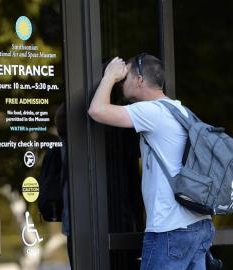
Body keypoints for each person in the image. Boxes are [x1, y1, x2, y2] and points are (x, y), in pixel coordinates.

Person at [88, 54, 215, 269]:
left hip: (170, 229)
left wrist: (109, 76)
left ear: (139, 80)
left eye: (124, 77)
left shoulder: (153, 111)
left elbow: (97, 111)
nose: (120, 83)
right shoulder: (183, 111)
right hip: (200, 225)